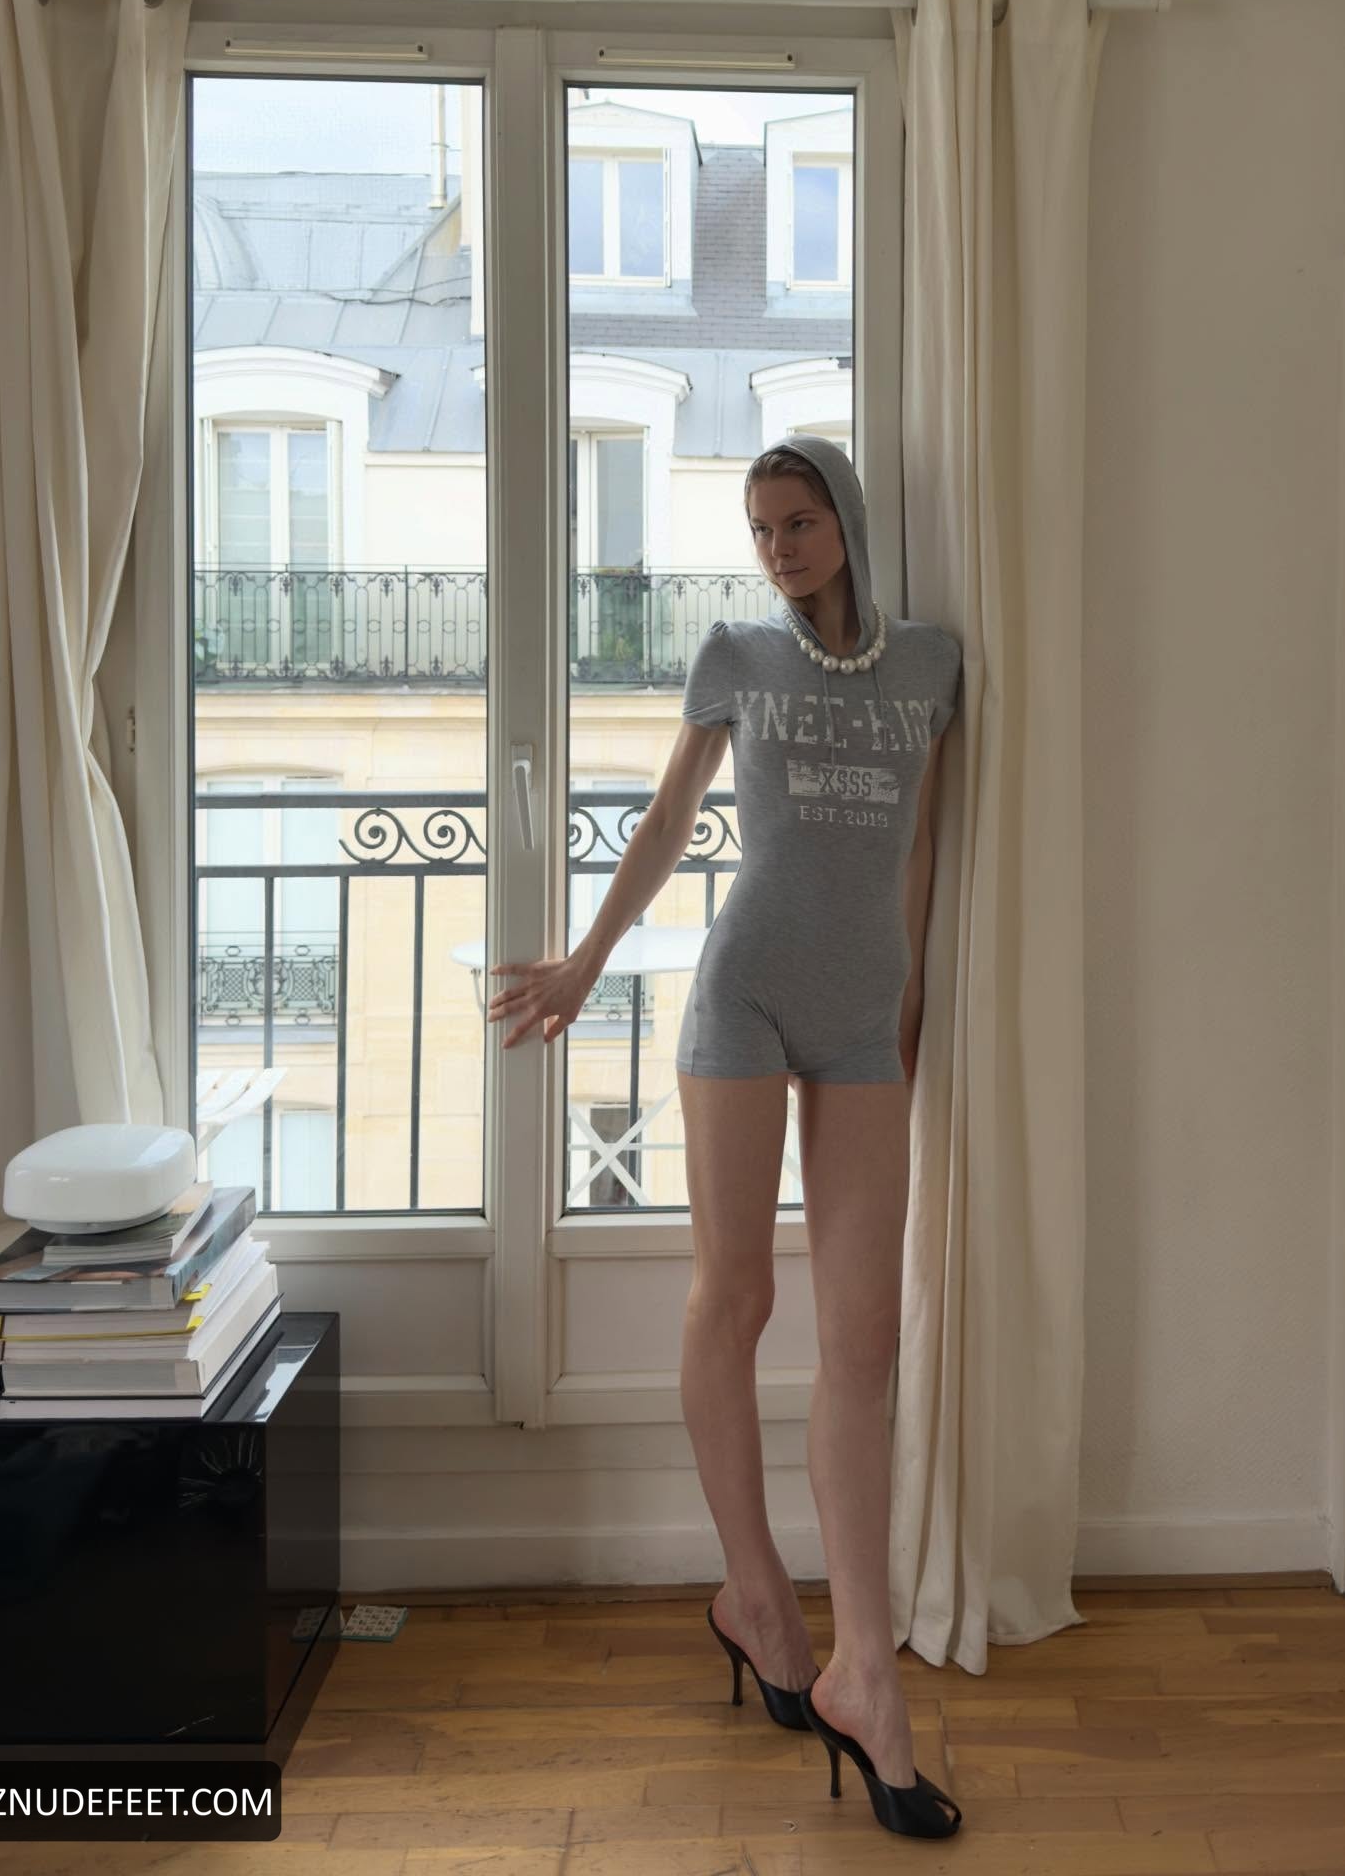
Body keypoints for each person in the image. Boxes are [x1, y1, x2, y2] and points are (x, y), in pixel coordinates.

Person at [486, 434, 963, 1840]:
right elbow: (667, 818)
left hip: (865, 1020)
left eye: (799, 522)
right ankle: (756, 1594)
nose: (778, 549)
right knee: (737, 1296)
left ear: (846, 522)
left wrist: (910, 1008)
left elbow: (922, 852)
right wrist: (584, 961)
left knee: (863, 1337)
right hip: (741, 997)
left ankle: (866, 1672)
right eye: (760, 528)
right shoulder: (737, 658)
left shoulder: (931, 669)